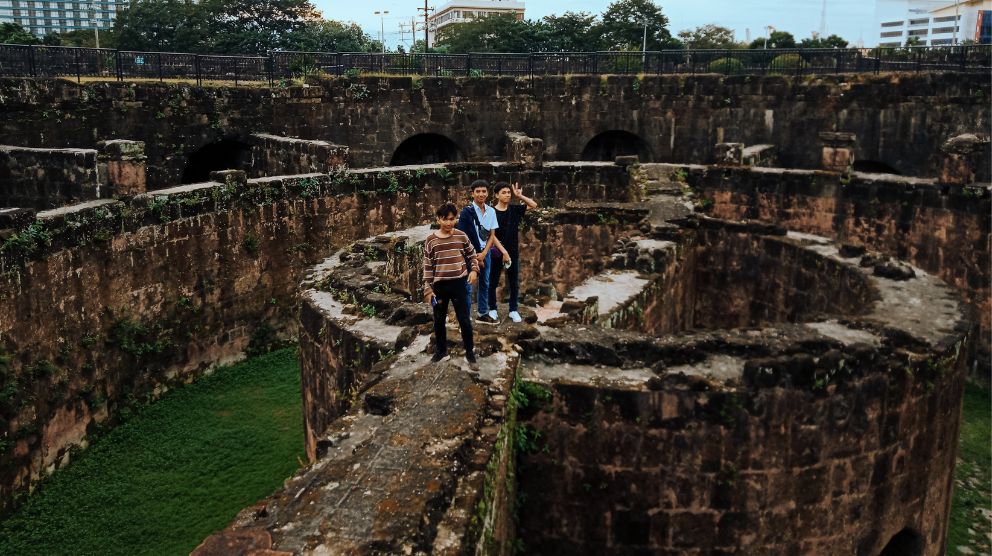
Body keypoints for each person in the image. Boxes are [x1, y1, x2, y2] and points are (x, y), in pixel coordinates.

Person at [423, 202, 479, 366]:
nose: (448, 223)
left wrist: (474, 271)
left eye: (452, 219)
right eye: (445, 219)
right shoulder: (431, 240)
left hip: (460, 284)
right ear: (438, 219)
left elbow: (472, 255)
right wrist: (428, 289)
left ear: (456, 219)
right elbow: (427, 266)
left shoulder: (461, 236)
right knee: (439, 320)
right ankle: (441, 351)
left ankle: (469, 351)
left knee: (464, 320)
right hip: (440, 286)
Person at [455, 180, 508, 324]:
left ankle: (482, 313)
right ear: (472, 193)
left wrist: (484, 253)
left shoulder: (491, 211)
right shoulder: (467, 212)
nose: (481, 194)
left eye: (484, 191)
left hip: (486, 253)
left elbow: (492, 235)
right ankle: (464, 315)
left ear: (488, 193)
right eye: (478, 191)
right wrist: (475, 255)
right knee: (468, 284)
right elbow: (463, 236)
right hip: (470, 254)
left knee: (485, 283)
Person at [488, 182, 538, 323]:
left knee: (514, 282)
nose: (507, 195)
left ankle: (513, 310)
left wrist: (520, 195)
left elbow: (533, 205)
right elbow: (491, 235)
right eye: (504, 192)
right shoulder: (491, 212)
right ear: (497, 195)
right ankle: (492, 309)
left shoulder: (514, 209)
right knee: (493, 281)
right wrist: (503, 252)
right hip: (496, 251)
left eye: (509, 192)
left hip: (513, 252)